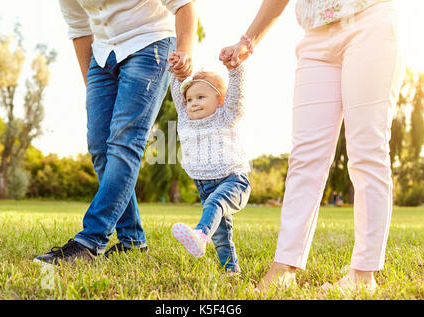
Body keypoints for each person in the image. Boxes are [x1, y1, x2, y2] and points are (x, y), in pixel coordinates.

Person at [220, 0, 404, 292]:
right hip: (316, 36)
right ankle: (284, 267)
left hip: (370, 21)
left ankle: (363, 275)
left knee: (367, 152)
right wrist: (248, 40)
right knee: (305, 156)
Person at [34, 0, 197, 265]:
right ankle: (133, 241)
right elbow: (79, 30)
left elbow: (183, 5)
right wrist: (94, 94)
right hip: (101, 55)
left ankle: (90, 240)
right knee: (99, 147)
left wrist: (185, 51)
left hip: (150, 44)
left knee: (124, 142)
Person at [168, 51, 251, 274]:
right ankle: (231, 271)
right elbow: (177, 91)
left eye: (201, 97)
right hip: (203, 184)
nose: (193, 103)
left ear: (220, 100)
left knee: (214, 204)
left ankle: (200, 234)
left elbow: (237, 96)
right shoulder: (185, 119)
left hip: (234, 181)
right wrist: (176, 69)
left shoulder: (226, 115)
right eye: (190, 99)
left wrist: (235, 69)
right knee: (222, 236)